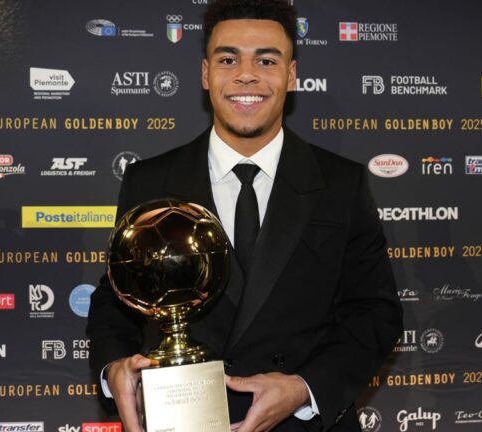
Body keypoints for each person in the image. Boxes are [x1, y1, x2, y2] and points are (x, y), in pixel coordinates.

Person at [86, 1, 403, 431]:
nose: (246, 75)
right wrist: (114, 368)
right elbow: (115, 297)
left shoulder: (341, 182)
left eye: (266, 60)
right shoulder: (150, 181)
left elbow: (375, 311)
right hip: (185, 421)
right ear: (205, 74)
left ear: (291, 75)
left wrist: (305, 389)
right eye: (228, 59)